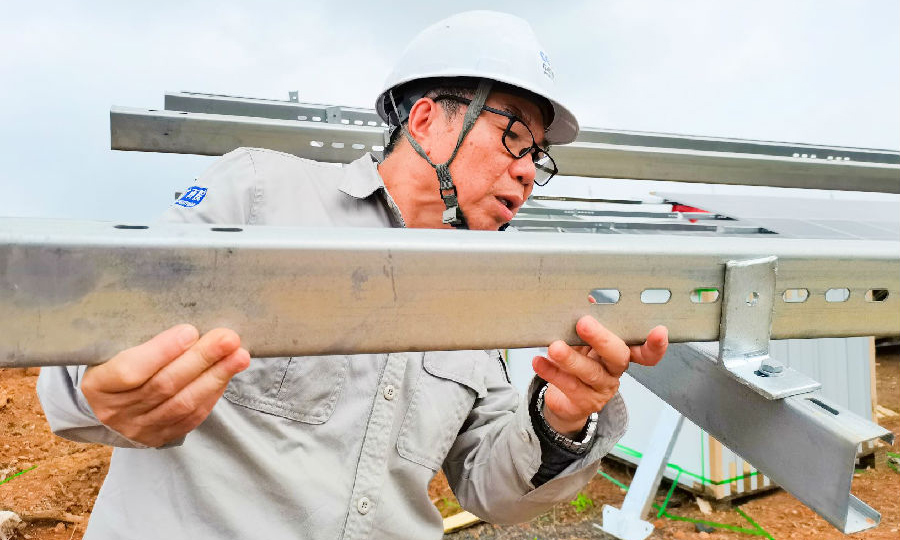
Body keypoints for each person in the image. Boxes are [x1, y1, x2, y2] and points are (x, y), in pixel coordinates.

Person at [37, 11, 667, 539]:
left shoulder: (481, 296)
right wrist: (98, 387)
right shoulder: (261, 196)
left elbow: (488, 489)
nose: (528, 170)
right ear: (424, 122)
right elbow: (103, 339)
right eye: (512, 136)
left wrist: (563, 418)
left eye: (538, 156)